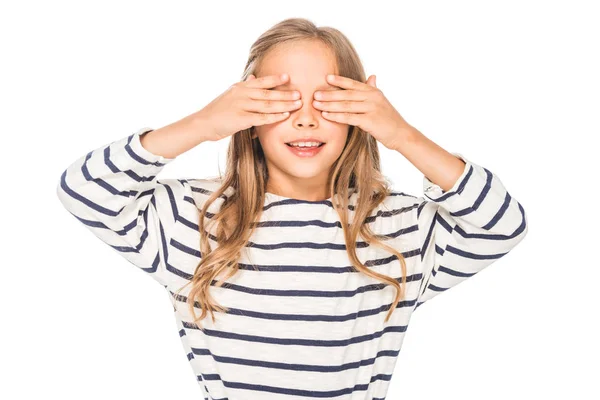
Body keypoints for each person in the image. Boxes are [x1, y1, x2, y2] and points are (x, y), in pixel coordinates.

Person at [56, 17, 528, 400]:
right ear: (247, 112)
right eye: (280, 100)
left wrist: (402, 134)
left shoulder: (397, 228)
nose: (306, 117)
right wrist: (202, 124)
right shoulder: (193, 219)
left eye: (330, 100)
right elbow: (84, 189)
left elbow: (502, 224)